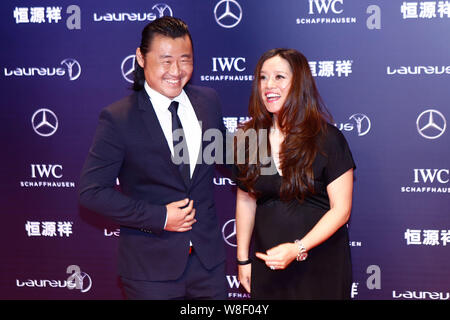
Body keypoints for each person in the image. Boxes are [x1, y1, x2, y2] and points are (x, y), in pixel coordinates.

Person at [79, 17, 227, 300]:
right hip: (150, 272)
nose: (176, 71)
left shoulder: (208, 102)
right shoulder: (119, 118)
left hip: (209, 266)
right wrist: (160, 217)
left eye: (185, 60)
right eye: (166, 60)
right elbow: (92, 192)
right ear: (141, 58)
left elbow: (228, 157)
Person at [233, 48, 355, 299]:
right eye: (263, 77)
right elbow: (246, 199)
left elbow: (341, 210)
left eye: (279, 77)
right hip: (269, 264)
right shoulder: (250, 139)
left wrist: (297, 248)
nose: (269, 85)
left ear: (299, 83)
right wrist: (243, 259)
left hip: (320, 265)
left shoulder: (327, 138)